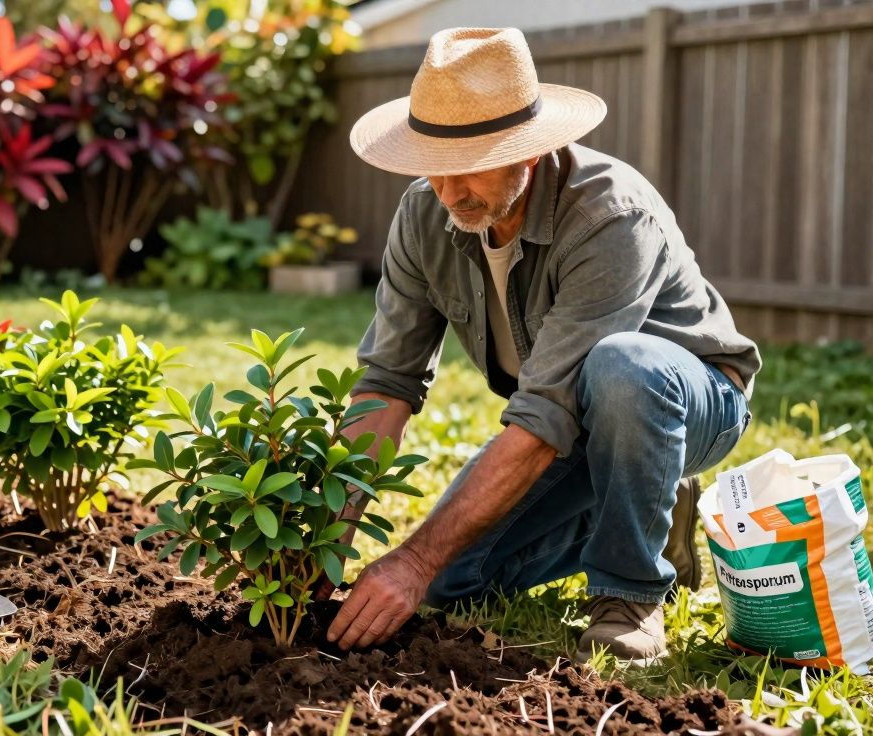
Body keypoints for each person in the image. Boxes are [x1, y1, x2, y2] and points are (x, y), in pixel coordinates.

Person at [322, 27, 761, 665]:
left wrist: (410, 559)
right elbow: (387, 382)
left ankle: (628, 594)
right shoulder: (424, 217)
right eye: (434, 169)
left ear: (527, 151)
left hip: (688, 399)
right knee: (450, 581)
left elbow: (545, 416)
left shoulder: (609, 216)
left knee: (623, 366)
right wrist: (330, 532)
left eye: (468, 167)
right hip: (569, 418)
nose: (448, 193)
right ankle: (650, 506)